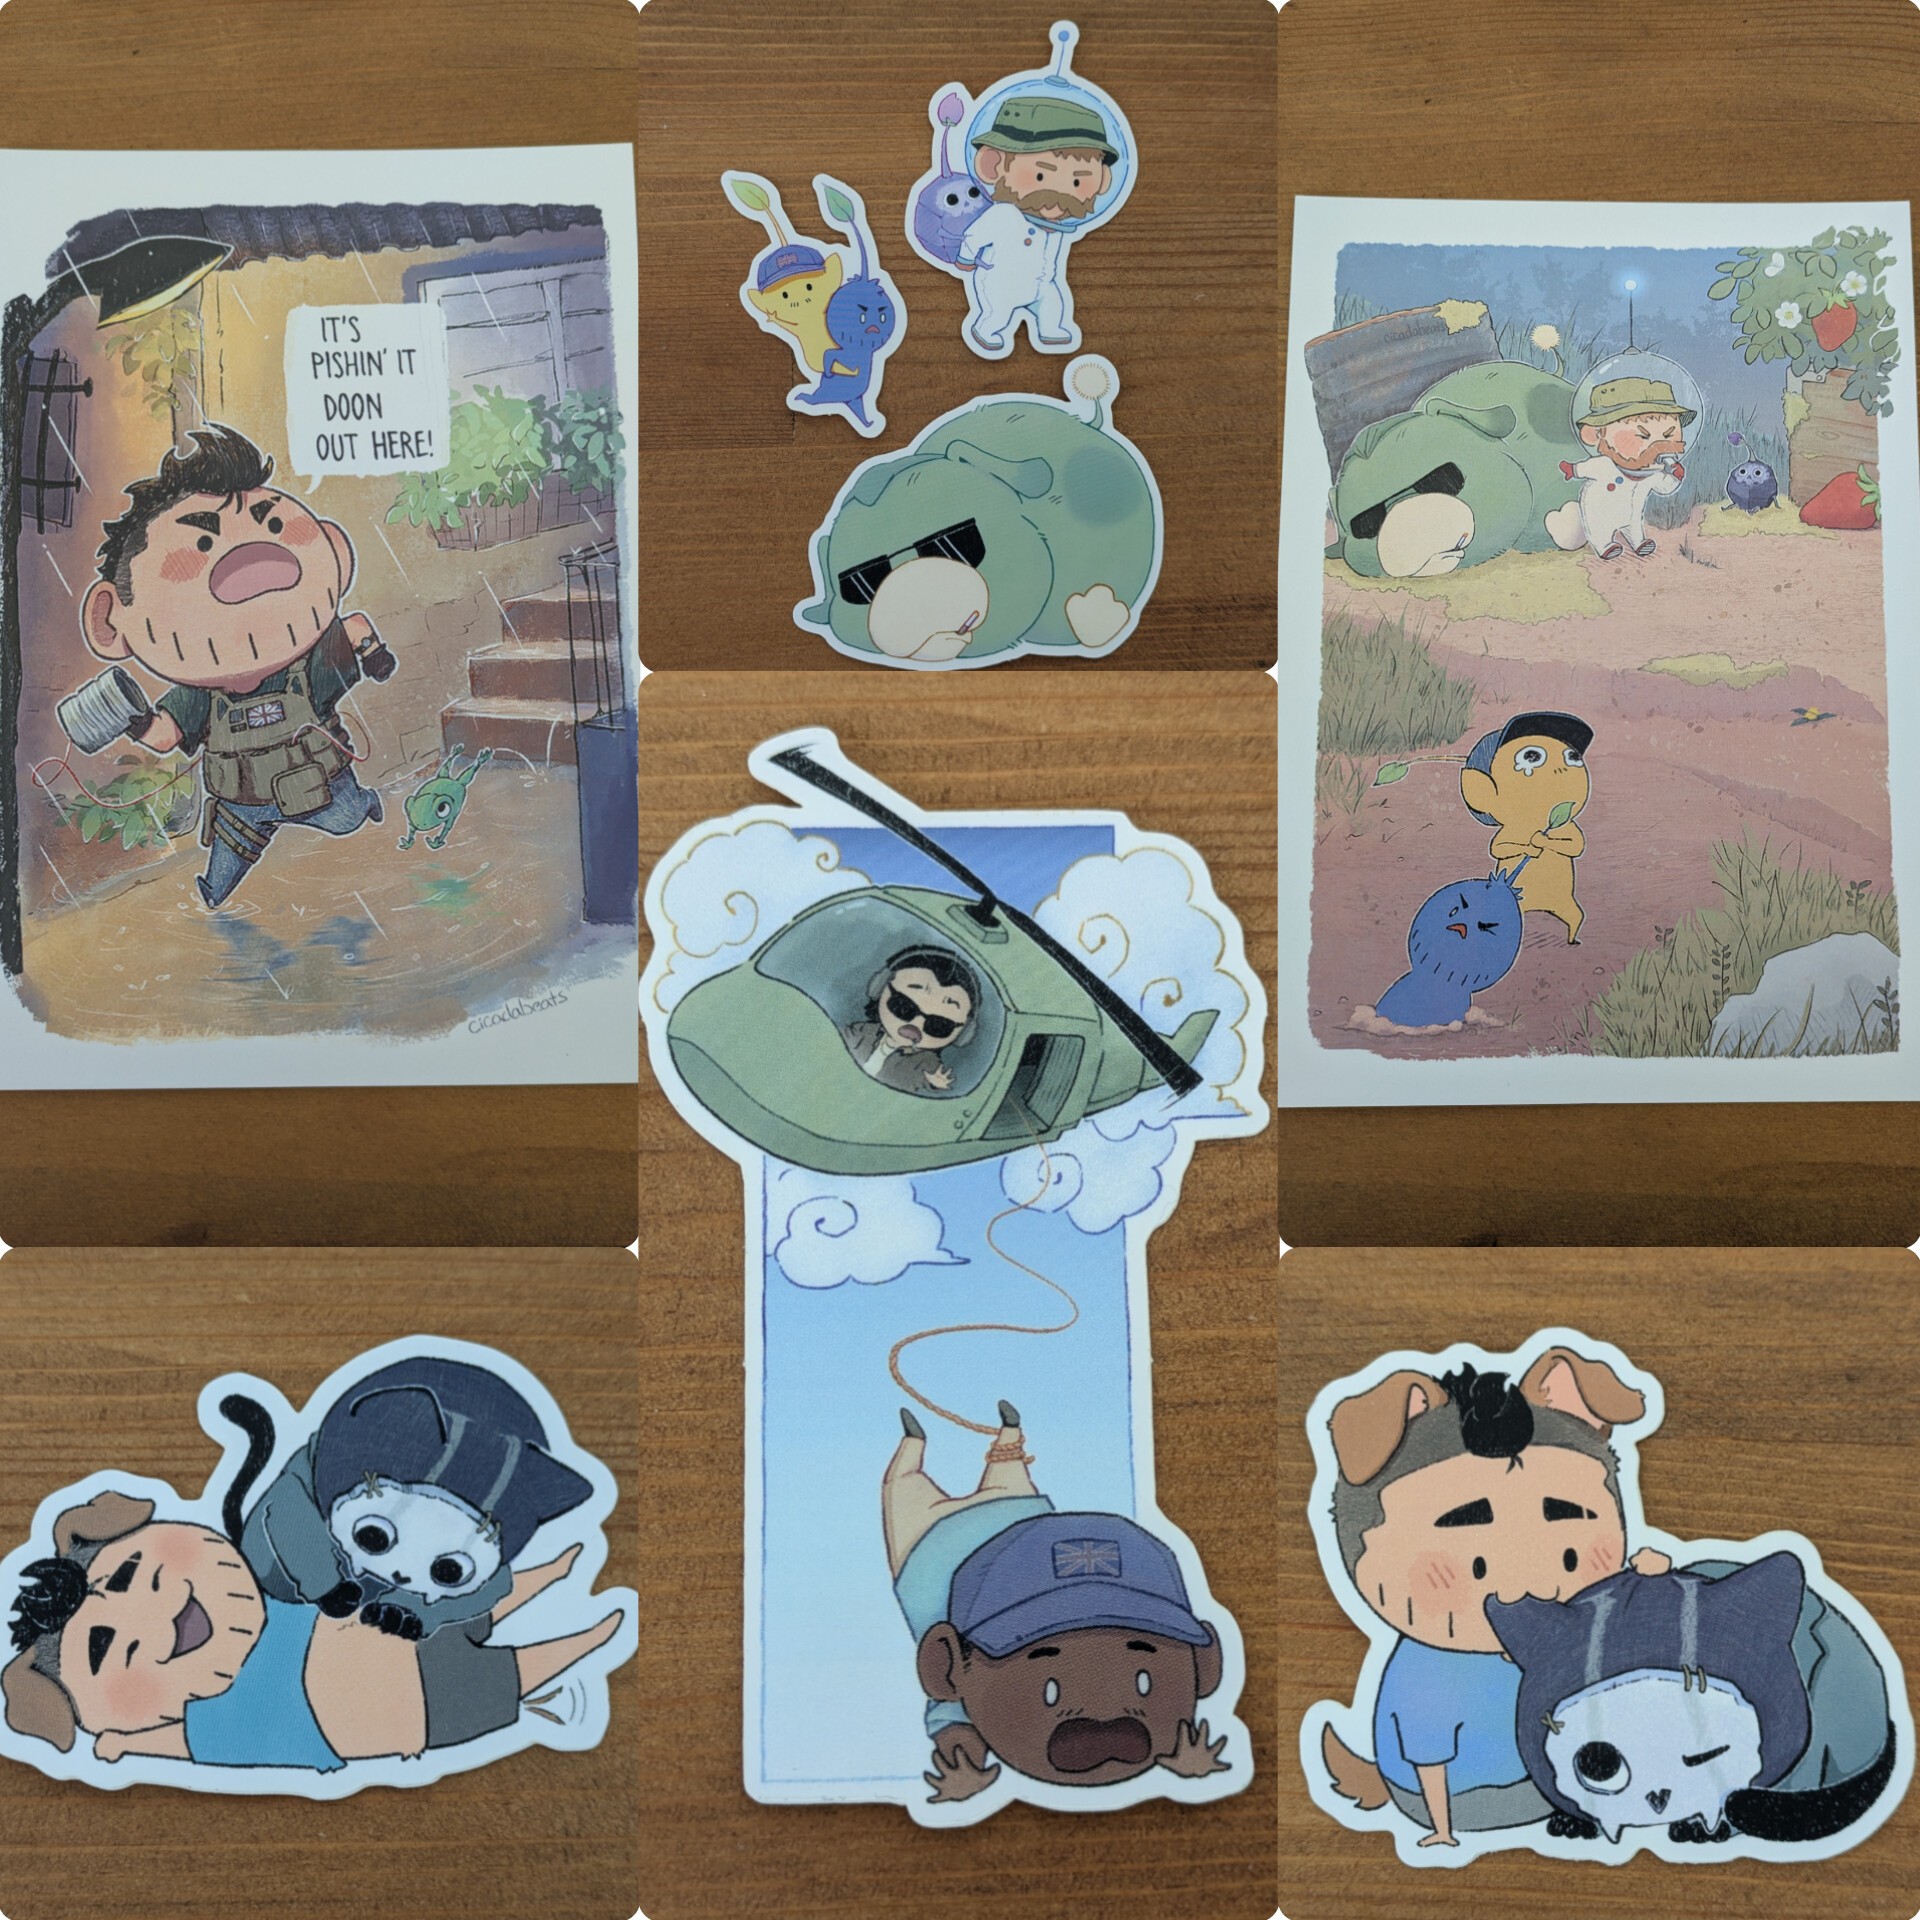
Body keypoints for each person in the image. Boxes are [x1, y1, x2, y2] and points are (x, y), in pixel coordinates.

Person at [2, 1491, 618, 1771]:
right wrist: (127, 1747)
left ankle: (556, 1573)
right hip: (416, 1711)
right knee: (512, 1675)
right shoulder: (216, 1722)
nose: (152, 1619)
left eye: (128, 1573)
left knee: (477, 1608)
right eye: (104, 1648)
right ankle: (590, 1641)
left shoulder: (267, 1593)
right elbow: (177, 1745)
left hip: (392, 1626)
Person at [72, 424, 394, 909]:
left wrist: (372, 651)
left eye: (273, 528)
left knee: (348, 817)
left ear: (336, 555)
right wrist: (128, 717)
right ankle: (213, 892)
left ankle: (364, 804)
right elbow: (164, 735)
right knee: (225, 866)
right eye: (202, 546)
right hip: (241, 805)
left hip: (321, 784)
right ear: (110, 622)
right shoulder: (199, 696)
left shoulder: (308, 668)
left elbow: (352, 628)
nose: (250, 568)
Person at [884, 1405, 1230, 1803]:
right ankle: (964, 1441)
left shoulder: (974, 1644)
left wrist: (968, 1775)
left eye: (1144, 1681)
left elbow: (959, 1742)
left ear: (1205, 1663)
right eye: (1051, 1691)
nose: (1103, 1727)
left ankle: (975, 1440)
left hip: (995, 1537)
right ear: (946, 1668)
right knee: (922, 1484)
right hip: (929, 1548)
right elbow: (955, 1734)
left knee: (930, 1482)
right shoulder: (942, 1601)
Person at [955, 96, 1117, 354]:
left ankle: (1051, 329)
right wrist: (965, 259)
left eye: (1077, 181)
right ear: (992, 164)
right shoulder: (1004, 214)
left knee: (1053, 304)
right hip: (1000, 282)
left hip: (1041, 285)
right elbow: (974, 236)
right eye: (1040, 175)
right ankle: (986, 329)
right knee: (998, 314)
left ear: (1102, 180)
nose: (1059, 192)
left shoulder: (1059, 227)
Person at [1548, 375, 1693, 560]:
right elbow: (1587, 468)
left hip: (1632, 512)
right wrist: (1573, 469)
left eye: (1668, 435)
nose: (1658, 445)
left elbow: (1665, 487)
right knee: (1599, 526)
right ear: (1595, 434)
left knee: (1633, 523)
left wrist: (1676, 476)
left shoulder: (1652, 472)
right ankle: (1603, 545)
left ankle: (1638, 542)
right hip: (1599, 508)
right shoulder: (1606, 465)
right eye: (1643, 436)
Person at [841, 947, 978, 1094]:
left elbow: (924, 1079)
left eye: (938, 1025)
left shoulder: (926, 1061)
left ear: (963, 1033)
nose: (916, 1025)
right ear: (879, 987)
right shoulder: (863, 1031)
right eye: (904, 1007)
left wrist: (933, 1084)